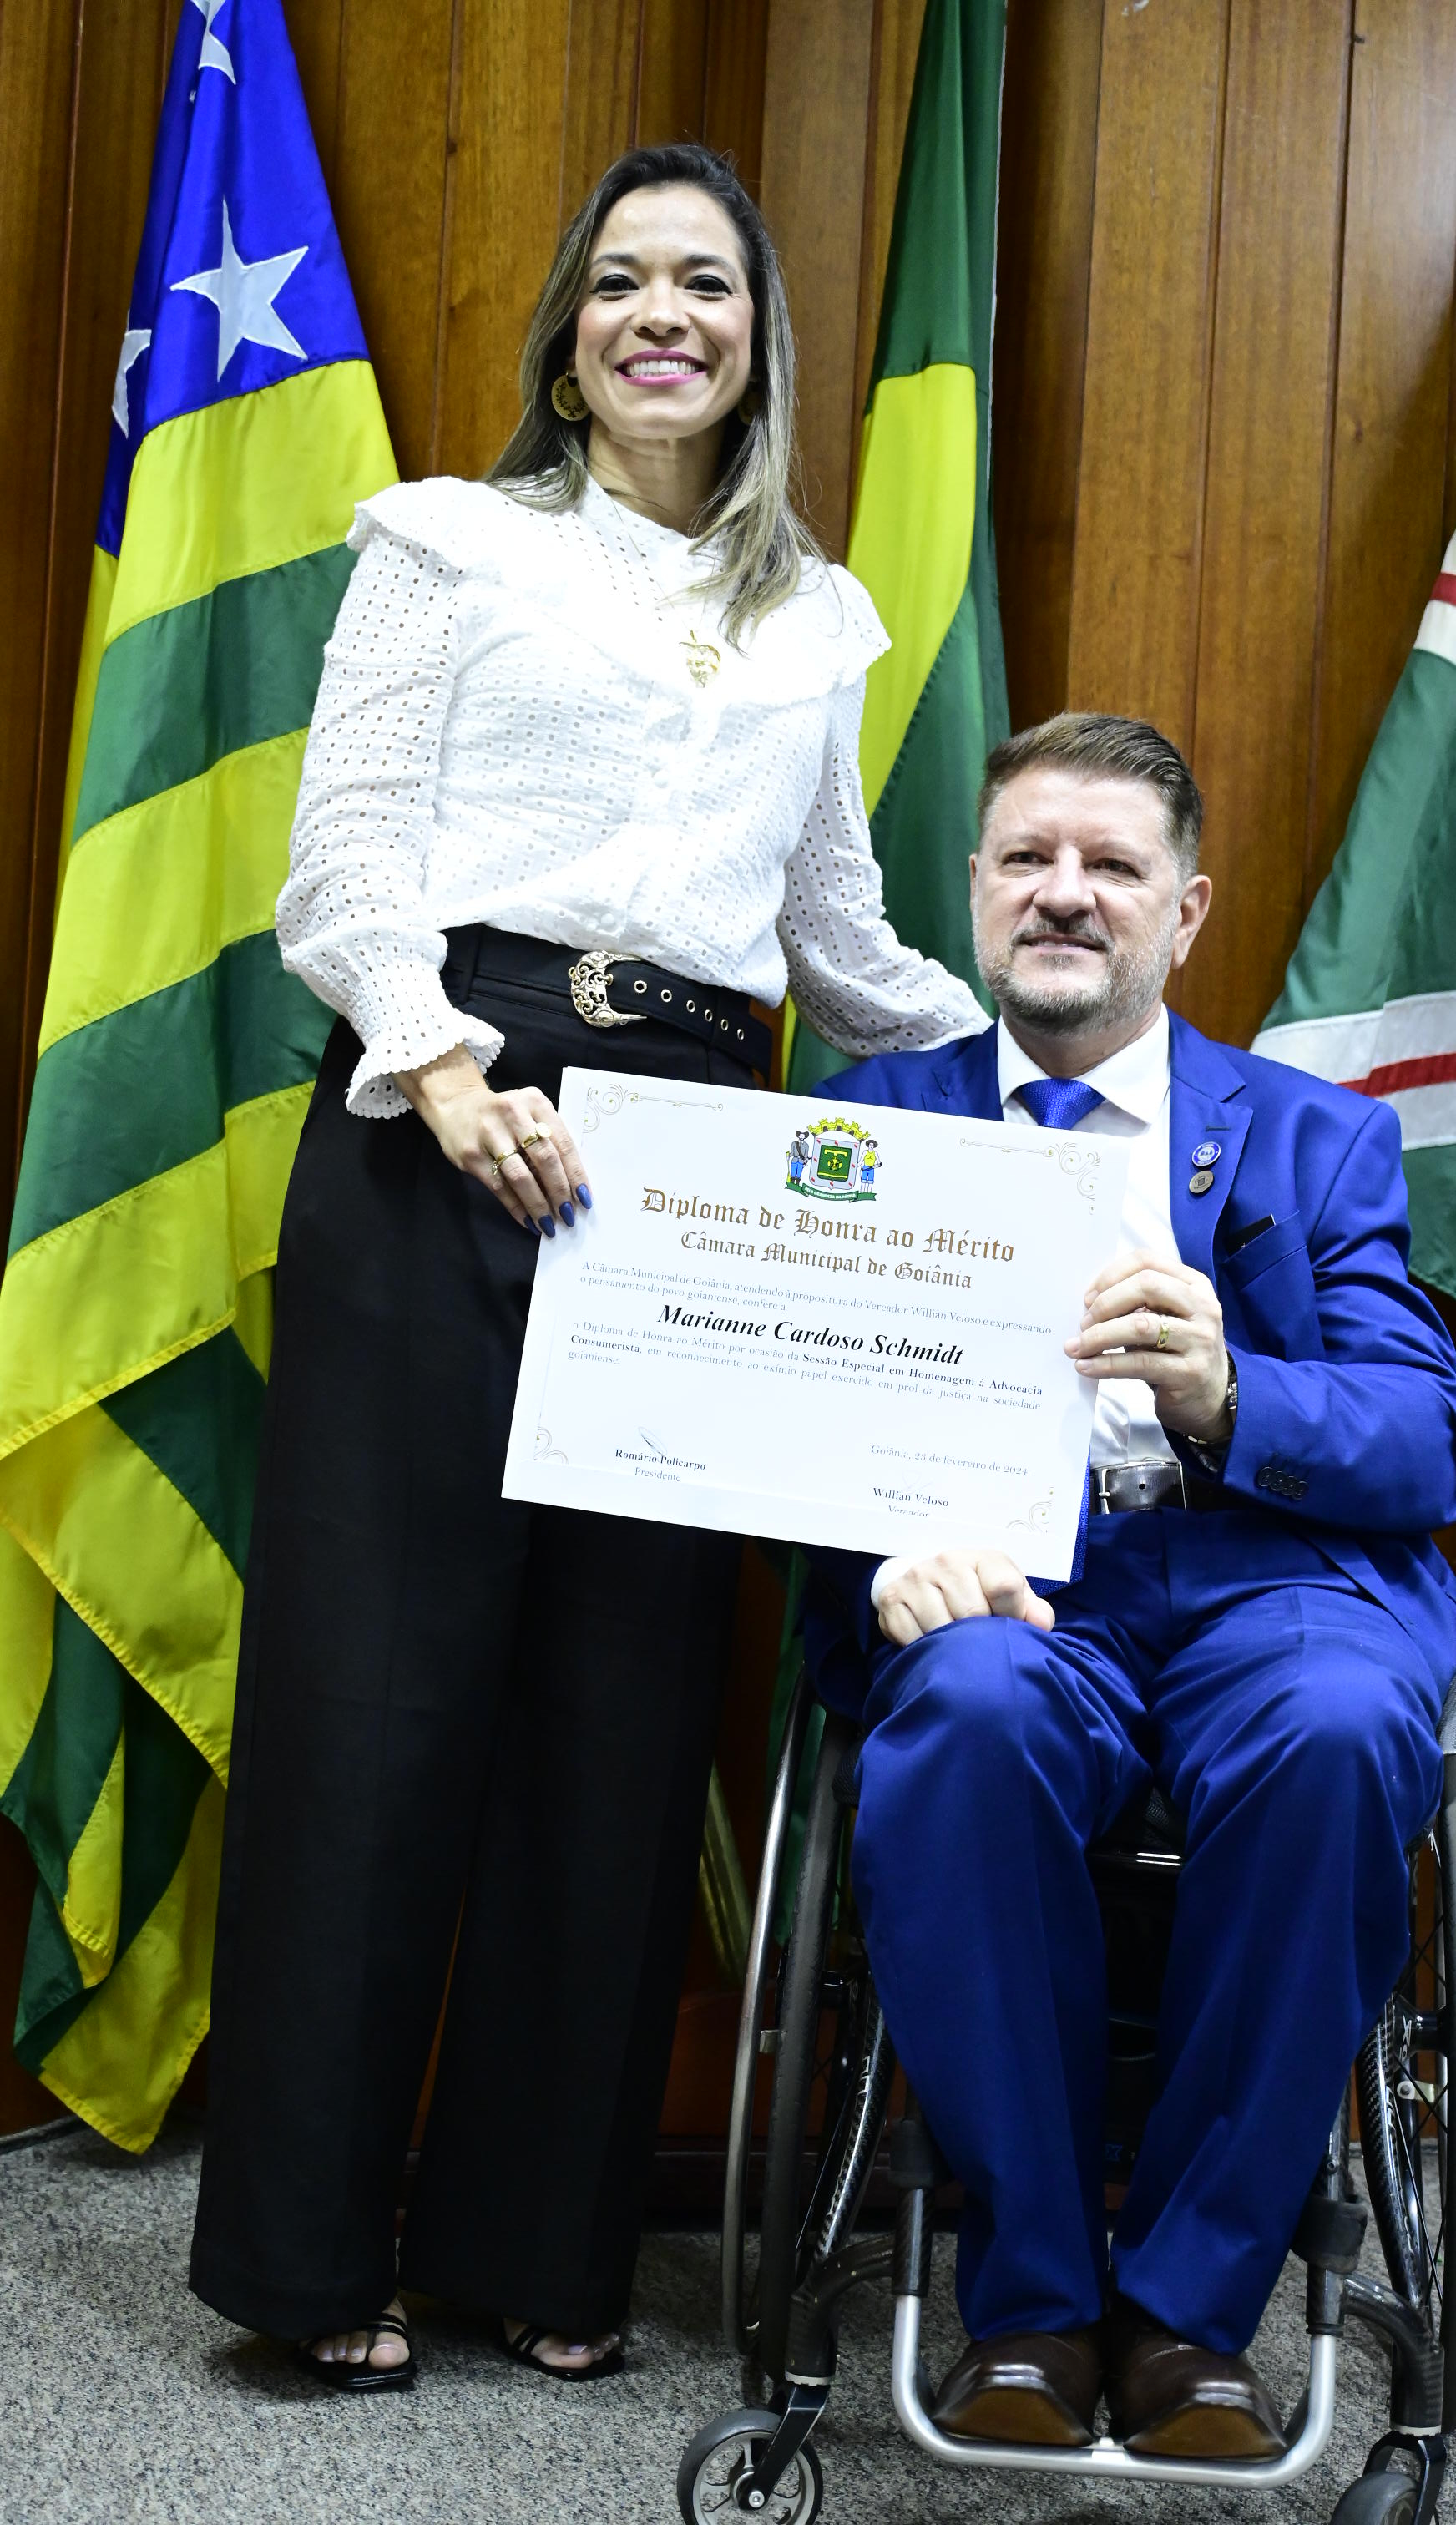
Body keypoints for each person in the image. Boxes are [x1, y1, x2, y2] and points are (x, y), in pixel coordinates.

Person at [188, 142, 982, 2394]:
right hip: (440, 1131)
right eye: (622, 281)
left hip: (698, 1177)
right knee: (378, 1705)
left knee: (620, 1720)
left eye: (703, 284)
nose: (662, 315)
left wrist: (1069, 1063)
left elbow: (836, 935)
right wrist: (448, 1072)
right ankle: (310, 2260)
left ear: (756, 339)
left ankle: (537, 2249)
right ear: (569, 336)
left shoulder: (821, 622)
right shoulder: (449, 543)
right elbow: (344, 864)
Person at [804, 712, 1456, 2454]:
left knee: (1338, 1731)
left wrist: (1231, 1392)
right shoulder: (866, 1123)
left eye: (1112, 865)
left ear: (1186, 911)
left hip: (1274, 1584)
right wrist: (884, 1550)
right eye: (1030, 856)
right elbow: (779, 1420)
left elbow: (1428, 1441)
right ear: (974, 888)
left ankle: (1189, 2318)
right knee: (964, 1709)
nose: (1066, 893)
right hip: (1016, 1582)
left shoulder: (1319, 1139)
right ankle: (1031, 2304)